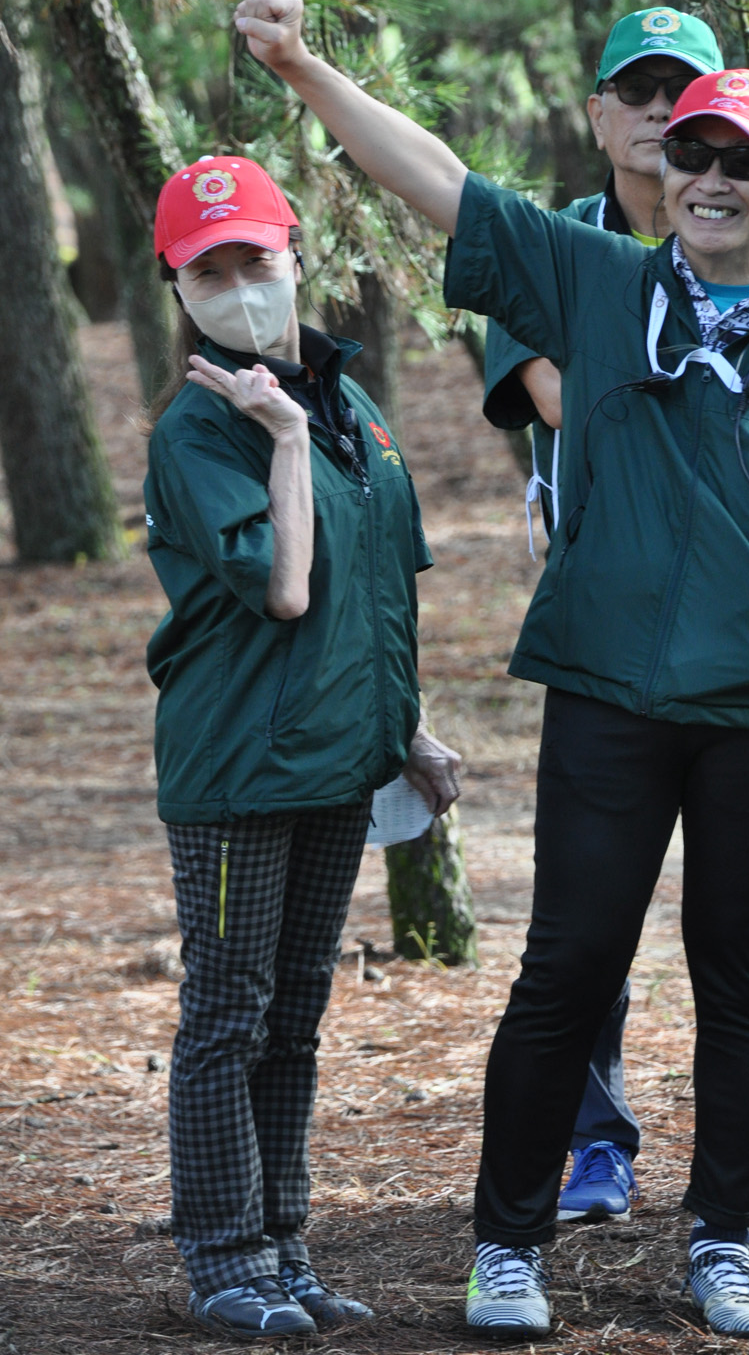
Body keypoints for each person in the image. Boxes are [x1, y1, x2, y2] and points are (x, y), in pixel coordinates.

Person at [232, 0, 749, 1339]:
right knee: (566, 965)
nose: (708, 177)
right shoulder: (600, 283)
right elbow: (442, 182)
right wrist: (305, 66)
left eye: (743, 160)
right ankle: (507, 1248)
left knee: (744, 974)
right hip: (609, 693)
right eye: (692, 153)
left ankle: (722, 1242)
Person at [484, 6, 749, 1225]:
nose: (665, 119)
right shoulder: (561, 254)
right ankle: (592, 1141)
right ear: (599, 114)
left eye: (687, 96)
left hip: (743, 646)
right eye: (639, 95)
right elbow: (571, 401)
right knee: (586, 925)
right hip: (612, 625)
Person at [144, 154, 461, 1341]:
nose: (239, 287)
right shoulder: (200, 429)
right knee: (228, 1016)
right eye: (208, 272)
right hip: (238, 772)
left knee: (294, 1019)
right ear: (179, 289)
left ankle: (284, 1246)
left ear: (294, 256)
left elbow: (376, 590)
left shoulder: (348, 403)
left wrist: (406, 729)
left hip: (336, 760)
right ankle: (224, 1260)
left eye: (255, 260)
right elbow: (285, 590)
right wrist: (278, 437)